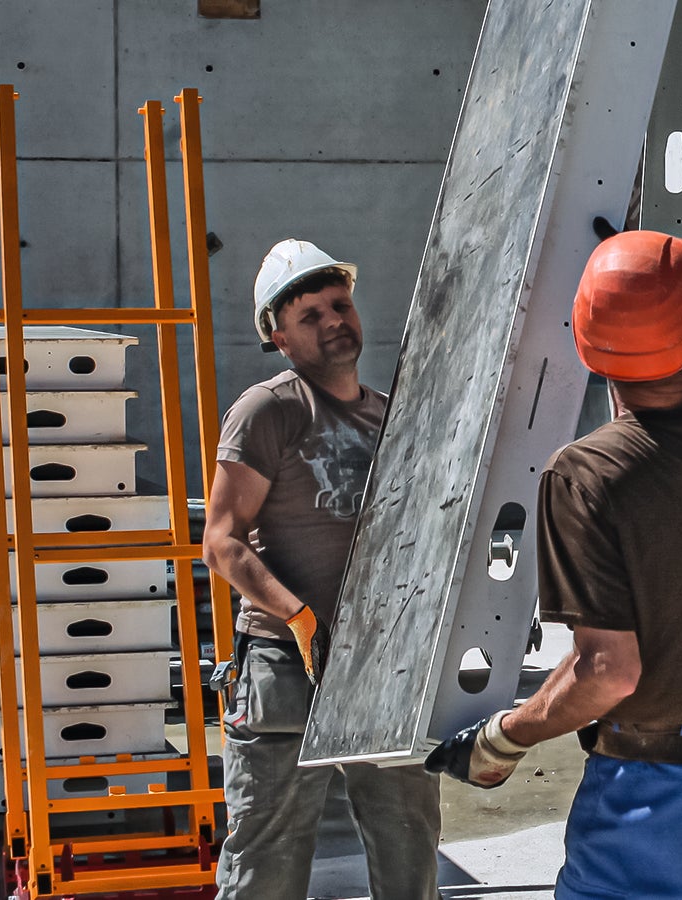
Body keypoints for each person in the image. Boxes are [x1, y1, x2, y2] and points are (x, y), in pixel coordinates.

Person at [426, 230, 682, 898]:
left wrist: (505, 739)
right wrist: (646, 297)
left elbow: (609, 671)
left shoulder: (587, 474)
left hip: (659, 789)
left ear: (585, 341)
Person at [203, 239, 441, 899]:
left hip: (379, 668)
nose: (334, 320)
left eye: (339, 304)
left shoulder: (389, 413)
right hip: (285, 663)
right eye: (310, 315)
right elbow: (220, 541)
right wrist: (299, 616)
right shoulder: (268, 410)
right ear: (278, 338)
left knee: (409, 855)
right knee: (265, 868)